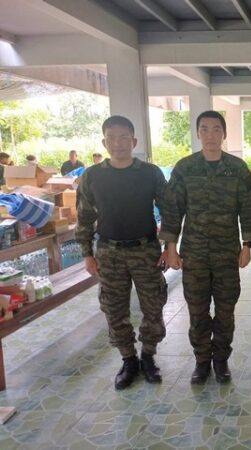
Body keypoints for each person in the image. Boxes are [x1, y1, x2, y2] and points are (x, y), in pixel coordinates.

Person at [160, 110, 251, 384]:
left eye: (216, 129)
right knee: (197, 311)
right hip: (195, 253)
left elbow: (246, 209)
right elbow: (173, 210)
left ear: (224, 134)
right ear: (198, 133)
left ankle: (221, 360)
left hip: (227, 254)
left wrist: (247, 244)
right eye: (204, 129)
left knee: (226, 311)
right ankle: (202, 360)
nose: (210, 135)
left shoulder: (237, 169)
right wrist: (170, 247)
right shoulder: (185, 168)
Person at [76, 115, 168, 390]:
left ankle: (148, 356)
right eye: (111, 138)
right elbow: (84, 217)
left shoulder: (150, 173)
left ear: (134, 141)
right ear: (104, 142)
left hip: (146, 250)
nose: (118, 143)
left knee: (153, 305)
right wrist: (87, 253)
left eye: (124, 137)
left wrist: (168, 247)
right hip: (108, 252)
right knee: (113, 308)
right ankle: (128, 359)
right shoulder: (92, 175)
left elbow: (170, 211)